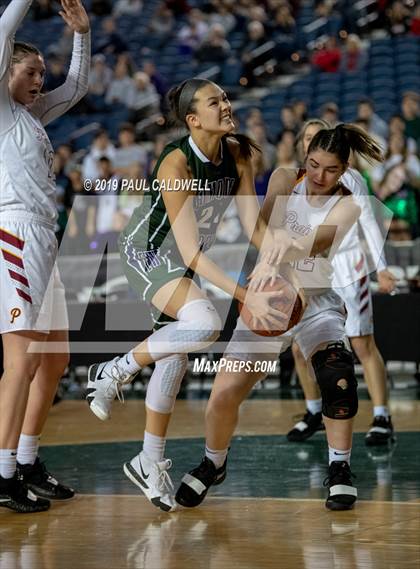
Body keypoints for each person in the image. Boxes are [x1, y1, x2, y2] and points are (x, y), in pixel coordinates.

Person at [86, 78, 302, 512]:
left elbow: (249, 226)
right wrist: (246, 295)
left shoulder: (239, 152)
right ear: (192, 118)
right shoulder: (176, 164)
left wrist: (276, 243)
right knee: (203, 324)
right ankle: (113, 370)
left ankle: (149, 460)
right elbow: (187, 251)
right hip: (147, 251)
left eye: (225, 97)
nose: (225, 105)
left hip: (184, 259)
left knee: (176, 358)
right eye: (214, 101)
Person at [175, 123, 384, 512]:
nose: (320, 176)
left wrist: (288, 245)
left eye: (331, 169)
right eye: (314, 164)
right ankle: (213, 463)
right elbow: (265, 223)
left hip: (315, 299)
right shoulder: (287, 177)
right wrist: (275, 245)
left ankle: (339, 469)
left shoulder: (350, 204)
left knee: (337, 375)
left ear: (345, 169)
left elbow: (315, 242)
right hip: (267, 298)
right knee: (222, 396)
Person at [0, 0, 90, 513]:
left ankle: (27, 460)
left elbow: (76, 87)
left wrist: (82, 34)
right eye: (30, 71)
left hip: (44, 238)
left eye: (42, 72)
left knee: (54, 360)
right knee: (20, 361)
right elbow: (5, 27)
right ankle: (2, 470)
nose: (40, 80)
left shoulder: (33, 116)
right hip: (14, 233)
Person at [286, 119, 397, 445]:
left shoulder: (350, 179)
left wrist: (381, 267)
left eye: (314, 137)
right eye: (306, 139)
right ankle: (313, 411)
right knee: (298, 348)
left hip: (349, 266)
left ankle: (381, 416)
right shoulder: (296, 183)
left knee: (361, 344)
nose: (310, 144)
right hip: (313, 269)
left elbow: (369, 221)